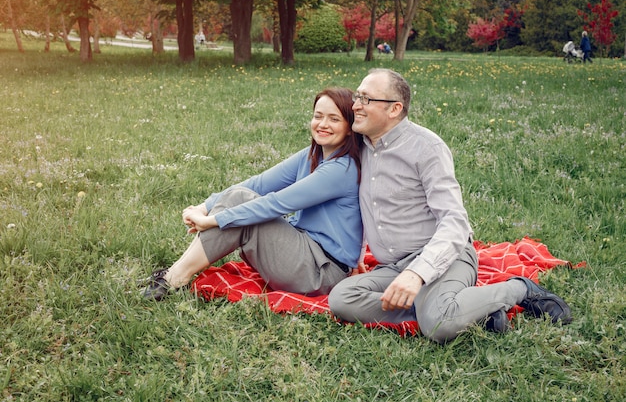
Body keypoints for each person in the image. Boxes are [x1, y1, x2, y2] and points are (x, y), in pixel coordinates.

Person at [328, 69, 572, 344]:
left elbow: (455, 222)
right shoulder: (356, 146)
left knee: (440, 327)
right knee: (341, 298)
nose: (355, 105)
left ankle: (518, 290)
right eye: (357, 96)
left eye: (365, 99)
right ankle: (466, 312)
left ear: (395, 109)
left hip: (445, 258)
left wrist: (417, 273)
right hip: (394, 266)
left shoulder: (427, 148)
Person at [142, 87, 363, 300]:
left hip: (322, 274)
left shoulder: (341, 169)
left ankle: (175, 278)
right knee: (240, 194)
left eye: (334, 119)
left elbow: (277, 203)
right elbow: (257, 185)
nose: (323, 124)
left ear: (349, 127)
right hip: (304, 254)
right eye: (318, 116)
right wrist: (204, 207)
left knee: (242, 203)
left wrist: (213, 220)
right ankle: (174, 275)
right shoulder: (312, 155)